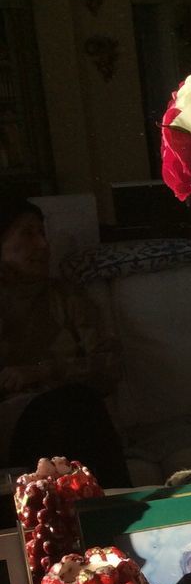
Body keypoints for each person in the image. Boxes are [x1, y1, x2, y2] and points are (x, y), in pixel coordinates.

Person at [0, 192, 130, 486]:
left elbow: (109, 365)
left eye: (42, 234)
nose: (43, 246)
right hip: (16, 424)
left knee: (77, 404)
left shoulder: (65, 296)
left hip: (76, 411)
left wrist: (41, 371)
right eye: (28, 234)